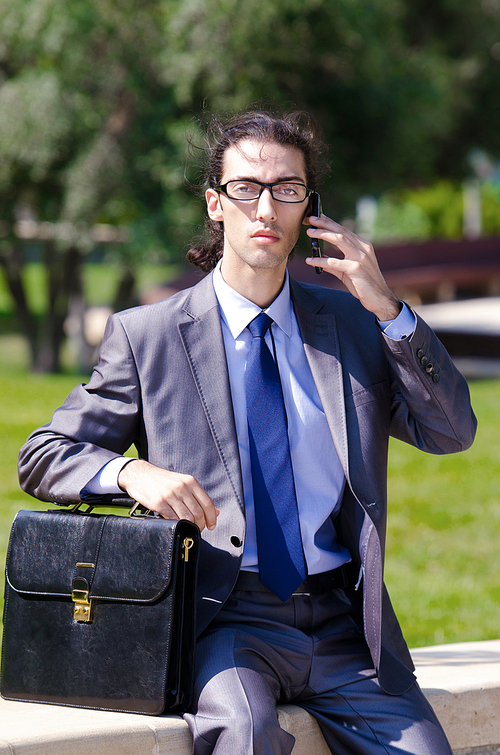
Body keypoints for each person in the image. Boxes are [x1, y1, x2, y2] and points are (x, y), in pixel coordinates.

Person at [19, 110, 476, 755]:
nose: (266, 206)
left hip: (345, 625)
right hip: (224, 616)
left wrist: (390, 310)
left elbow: (452, 430)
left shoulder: (350, 324)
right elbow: (42, 456)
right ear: (215, 202)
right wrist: (130, 473)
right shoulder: (148, 337)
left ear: (308, 208)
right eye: (246, 188)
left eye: (286, 189)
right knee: (247, 733)